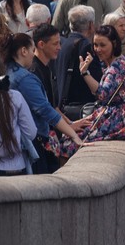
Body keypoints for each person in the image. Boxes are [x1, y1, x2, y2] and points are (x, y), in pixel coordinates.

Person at [6, 33, 86, 173]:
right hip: (30, 142)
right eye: (32, 50)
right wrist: (73, 134)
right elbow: (45, 110)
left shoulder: (7, 72)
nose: (33, 54)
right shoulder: (25, 79)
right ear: (24, 51)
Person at [76, 24, 125, 142]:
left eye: (102, 45)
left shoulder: (117, 67)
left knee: (70, 140)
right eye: (95, 45)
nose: (98, 49)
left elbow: (102, 94)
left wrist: (85, 73)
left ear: (114, 44)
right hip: (124, 118)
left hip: (122, 119)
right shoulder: (116, 62)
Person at [57, 5, 102, 117]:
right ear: (91, 25)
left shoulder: (63, 44)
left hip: (64, 106)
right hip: (82, 108)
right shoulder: (86, 46)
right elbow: (97, 80)